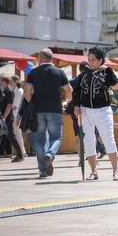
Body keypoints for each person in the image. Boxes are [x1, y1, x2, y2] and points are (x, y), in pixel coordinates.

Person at [72, 48, 118, 181]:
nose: (91, 62)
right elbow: (75, 91)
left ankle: (115, 171)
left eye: (93, 60)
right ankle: (94, 171)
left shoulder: (106, 72)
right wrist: (76, 105)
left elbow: (114, 82)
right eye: (89, 60)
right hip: (86, 110)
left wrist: (109, 69)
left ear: (100, 60)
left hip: (103, 110)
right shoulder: (84, 75)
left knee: (108, 139)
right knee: (88, 141)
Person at [23, 48, 73, 178]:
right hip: (55, 110)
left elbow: (27, 92)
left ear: (40, 58)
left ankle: (43, 171)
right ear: (52, 58)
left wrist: (31, 104)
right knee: (56, 137)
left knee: (40, 140)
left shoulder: (33, 72)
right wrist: (68, 103)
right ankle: (50, 154)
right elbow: (68, 90)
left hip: (38, 111)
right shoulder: (59, 72)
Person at [0, 75, 23, 162]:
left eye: (0, 80)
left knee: (11, 136)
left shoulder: (9, 91)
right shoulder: (5, 90)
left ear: (4, 81)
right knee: (8, 136)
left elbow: (9, 106)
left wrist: (4, 117)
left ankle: (20, 154)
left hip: (8, 117)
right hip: (6, 117)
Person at [9, 75, 26, 158]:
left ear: (16, 82)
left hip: (16, 115)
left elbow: (15, 105)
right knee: (17, 134)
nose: (10, 83)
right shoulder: (15, 90)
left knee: (17, 134)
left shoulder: (19, 91)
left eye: (11, 81)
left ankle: (22, 152)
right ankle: (21, 151)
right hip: (15, 115)